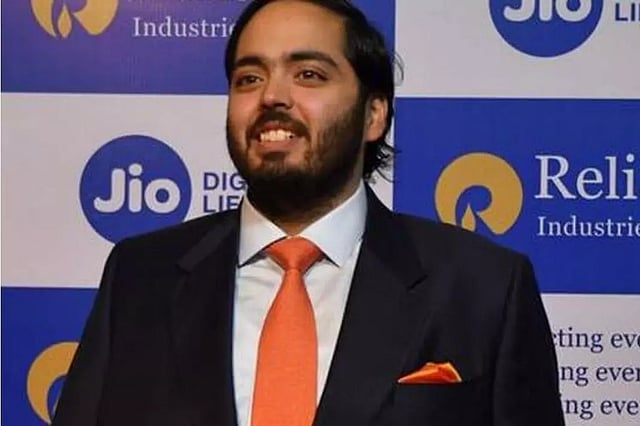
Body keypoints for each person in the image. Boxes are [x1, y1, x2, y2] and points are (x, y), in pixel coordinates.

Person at [52, 1, 565, 425]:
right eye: (249, 78)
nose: (272, 96)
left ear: (374, 115)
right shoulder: (141, 276)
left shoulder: (483, 287)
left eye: (309, 74)